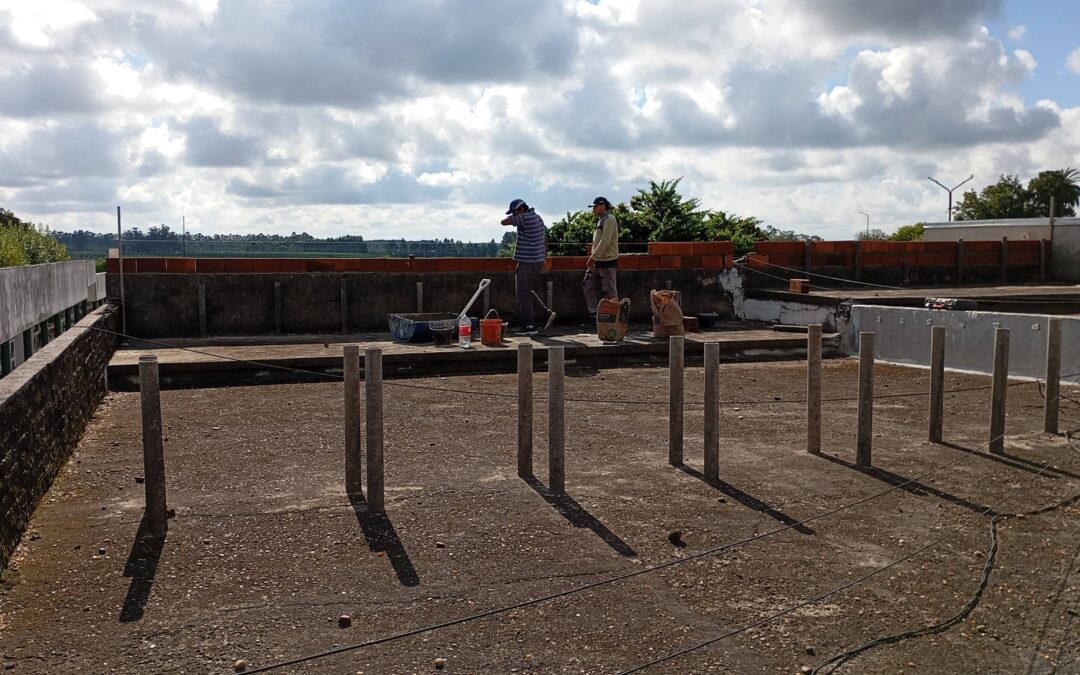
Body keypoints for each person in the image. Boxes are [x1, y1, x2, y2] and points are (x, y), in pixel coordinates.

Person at [501, 198, 554, 335]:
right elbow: (544, 239)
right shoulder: (537, 217)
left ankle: (530, 326)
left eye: (514, 212)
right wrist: (543, 259)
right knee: (526, 291)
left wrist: (514, 217)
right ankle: (545, 313)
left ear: (520, 209)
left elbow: (503, 222)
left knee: (522, 294)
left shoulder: (524, 218)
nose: (514, 215)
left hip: (527, 261)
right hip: (535, 260)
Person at [584, 196, 619, 318]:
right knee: (588, 284)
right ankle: (594, 312)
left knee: (609, 291)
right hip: (598, 260)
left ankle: (614, 316)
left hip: (607, 260)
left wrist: (593, 257)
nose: (593, 209)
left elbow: (605, 241)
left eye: (595, 206)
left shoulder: (609, 219)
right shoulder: (601, 220)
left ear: (602, 205)